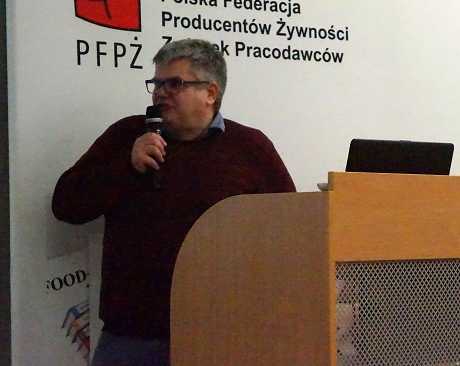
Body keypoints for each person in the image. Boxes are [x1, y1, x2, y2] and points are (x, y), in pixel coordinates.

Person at [52, 38, 296, 365]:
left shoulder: (250, 147)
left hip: (223, 330)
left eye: (174, 84)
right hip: (132, 333)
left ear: (210, 93)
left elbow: (291, 227)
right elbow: (66, 204)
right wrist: (127, 166)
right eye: (156, 83)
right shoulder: (127, 136)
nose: (160, 93)